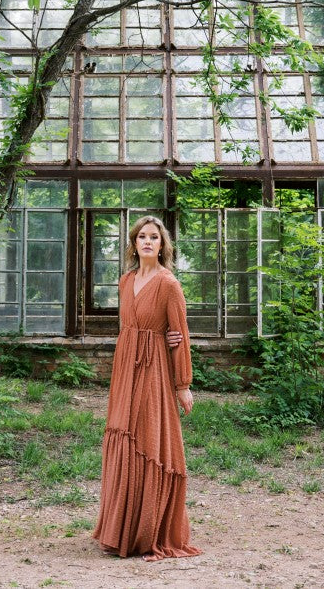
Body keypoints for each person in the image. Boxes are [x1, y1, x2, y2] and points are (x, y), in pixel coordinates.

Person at [93, 215, 203, 562]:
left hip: (155, 369)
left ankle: (149, 532)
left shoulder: (169, 284)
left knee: (148, 438)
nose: (147, 242)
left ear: (163, 245)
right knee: (123, 435)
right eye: (142, 236)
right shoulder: (125, 281)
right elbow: (129, 327)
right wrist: (149, 336)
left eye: (154, 237)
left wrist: (182, 384)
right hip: (126, 366)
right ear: (134, 242)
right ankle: (121, 530)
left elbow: (180, 333)